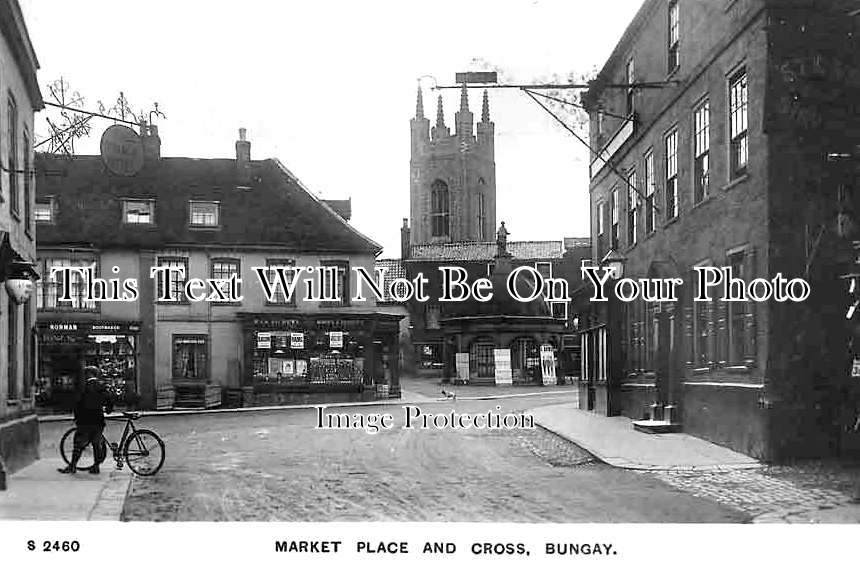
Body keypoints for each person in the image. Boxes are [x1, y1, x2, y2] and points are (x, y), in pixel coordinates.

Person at [58, 366, 114, 475]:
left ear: (89, 374)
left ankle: (72, 466)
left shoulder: (83, 387)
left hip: (85, 420)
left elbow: (78, 403)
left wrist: (77, 418)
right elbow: (109, 400)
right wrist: (108, 410)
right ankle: (96, 466)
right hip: (98, 419)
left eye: (86, 374)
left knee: (79, 444)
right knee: (96, 444)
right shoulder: (102, 386)